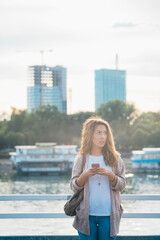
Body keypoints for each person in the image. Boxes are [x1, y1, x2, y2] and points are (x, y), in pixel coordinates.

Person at [70, 116, 126, 240]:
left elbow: (122, 185)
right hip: (86, 216)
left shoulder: (115, 158)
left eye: (105, 133)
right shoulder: (81, 158)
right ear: (90, 135)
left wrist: (111, 175)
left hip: (109, 216)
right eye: (98, 133)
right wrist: (84, 175)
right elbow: (73, 186)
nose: (103, 136)